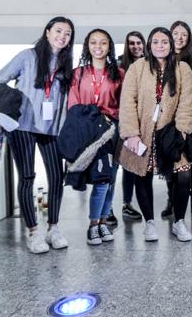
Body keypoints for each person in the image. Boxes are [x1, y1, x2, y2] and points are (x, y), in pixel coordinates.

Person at [0, 16, 74, 253]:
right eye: (59, 31)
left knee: (56, 177)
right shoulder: (27, 56)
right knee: (27, 178)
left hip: (50, 129)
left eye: (68, 34)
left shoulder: (65, 62)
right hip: (22, 127)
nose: (62, 36)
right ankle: (33, 232)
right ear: (48, 31)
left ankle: (53, 227)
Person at [118, 27, 192, 242]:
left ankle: (179, 222)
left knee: (183, 174)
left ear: (171, 45)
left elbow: (187, 102)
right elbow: (127, 102)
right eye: (155, 42)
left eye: (164, 42)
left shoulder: (183, 69)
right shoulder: (137, 68)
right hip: (142, 133)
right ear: (149, 45)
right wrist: (131, 134)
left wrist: (182, 130)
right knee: (141, 175)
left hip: (171, 133)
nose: (160, 46)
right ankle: (149, 223)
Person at [67, 29, 124, 245]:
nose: (98, 46)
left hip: (113, 131)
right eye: (93, 42)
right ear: (87, 46)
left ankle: (102, 222)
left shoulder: (119, 74)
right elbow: (73, 105)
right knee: (100, 180)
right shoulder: (78, 74)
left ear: (109, 46)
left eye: (103, 42)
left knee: (109, 180)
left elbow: (124, 105)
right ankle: (93, 225)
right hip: (89, 131)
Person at [162, 21, 192, 220]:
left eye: (183, 34)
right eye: (175, 33)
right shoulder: (162, 60)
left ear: (188, 38)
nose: (179, 37)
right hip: (169, 121)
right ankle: (171, 199)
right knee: (173, 160)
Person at [116, 31, 145, 221]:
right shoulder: (119, 66)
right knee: (124, 164)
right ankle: (124, 204)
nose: (135, 46)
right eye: (131, 44)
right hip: (124, 120)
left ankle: (136, 203)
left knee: (139, 163)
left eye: (138, 43)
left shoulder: (150, 64)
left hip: (144, 121)